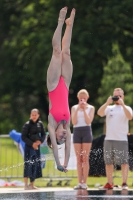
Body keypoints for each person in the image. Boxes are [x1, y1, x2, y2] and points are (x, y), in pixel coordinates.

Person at [46, 7, 76, 173]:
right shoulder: (67, 123)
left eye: (60, 138)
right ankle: (69, 24)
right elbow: (68, 149)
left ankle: (60, 21)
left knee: (57, 52)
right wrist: (66, 163)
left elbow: (56, 149)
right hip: (65, 84)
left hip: (53, 84)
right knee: (67, 52)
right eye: (64, 138)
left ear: (54, 136)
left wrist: (58, 163)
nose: (64, 136)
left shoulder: (51, 123)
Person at [97, 88, 133, 190]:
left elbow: (130, 116)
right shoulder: (109, 108)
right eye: (115, 96)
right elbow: (99, 113)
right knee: (108, 162)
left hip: (121, 139)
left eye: (119, 96)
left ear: (123, 96)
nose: (117, 98)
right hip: (109, 139)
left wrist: (122, 104)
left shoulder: (127, 108)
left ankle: (124, 183)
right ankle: (109, 183)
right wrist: (107, 103)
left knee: (124, 162)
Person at [71, 89, 95, 189]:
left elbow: (89, 121)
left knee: (85, 158)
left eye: (84, 98)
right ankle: (79, 182)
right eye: (81, 98)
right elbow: (74, 121)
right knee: (78, 158)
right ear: (78, 98)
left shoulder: (91, 108)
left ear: (87, 98)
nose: (82, 100)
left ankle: (84, 182)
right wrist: (78, 109)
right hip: (77, 131)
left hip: (86, 131)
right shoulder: (74, 108)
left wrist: (84, 109)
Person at [22, 108, 46, 190]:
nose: (34, 116)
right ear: (30, 115)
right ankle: (25, 185)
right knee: (27, 164)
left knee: (35, 165)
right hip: (29, 147)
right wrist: (32, 144)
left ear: (38, 115)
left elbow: (43, 134)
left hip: (37, 147)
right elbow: (23, 137)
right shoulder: (27, 124)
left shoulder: (40, 124)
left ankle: (32, 184)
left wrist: (40, 141)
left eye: (35, 115)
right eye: (32, 115)